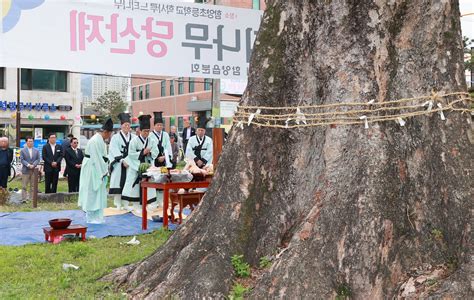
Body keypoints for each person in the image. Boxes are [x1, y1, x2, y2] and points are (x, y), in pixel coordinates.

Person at [78, 118, 113, 224]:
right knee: (91, 191)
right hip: (92, 168)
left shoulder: (100, 140)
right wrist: (103, 171)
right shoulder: (95, 141)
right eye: (109, 134)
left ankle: (98, 216)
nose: (109, 136)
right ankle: (91, 217)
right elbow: (96, 158)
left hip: (97, 167)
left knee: (98, 193)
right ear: (106, 132)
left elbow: (102, 157)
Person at [122, 115, 158, 213]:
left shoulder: (152, 140)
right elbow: (131, 154)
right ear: (140, 131)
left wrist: (149, 153)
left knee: (149, 184)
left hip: (147, 165)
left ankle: (148, 204)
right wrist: (142, 152)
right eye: (144, 131)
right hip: (135, 165)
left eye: (148, 131)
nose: (146, 133)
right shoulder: (134, 141)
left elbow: (156, 152)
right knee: (134, 185)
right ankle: (136, 205)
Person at [108, 112, 134, 210]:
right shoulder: (115, 137)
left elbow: (135, 150)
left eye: (128, 125)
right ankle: (118, 204)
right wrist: (122, 160)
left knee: (128, 184)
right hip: (119, 164)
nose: (127, 126)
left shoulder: (134, 137)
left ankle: (126, 204)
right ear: (121, 126)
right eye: (125, 125)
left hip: (130, 164)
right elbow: (113, 149)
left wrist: (130, 160)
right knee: (118, 183)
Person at [20, 136, 40, 201]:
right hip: (25, 170)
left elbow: (38, 159)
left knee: (33, 186)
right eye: (29, 141)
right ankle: (24, 199)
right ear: (26, 142)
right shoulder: (22, 150)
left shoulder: (36, 150)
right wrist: (28, 165)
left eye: (32, 141)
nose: (30, 143)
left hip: (34, 170)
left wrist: (33, 165)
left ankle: (32, 198)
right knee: (24, 186)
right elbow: (22, 160)